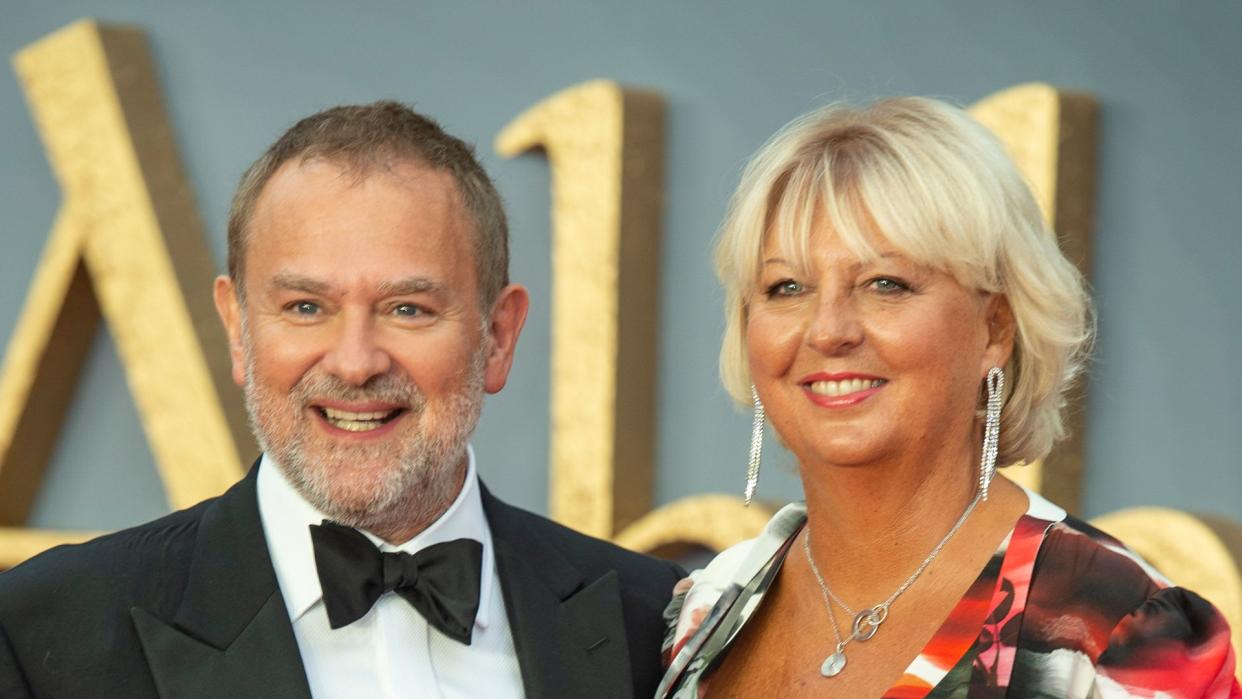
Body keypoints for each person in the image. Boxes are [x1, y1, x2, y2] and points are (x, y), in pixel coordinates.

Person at [0, 101, 682, 699]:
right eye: (305, 306)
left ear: (497, 337)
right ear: (238, 329)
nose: (356, 362)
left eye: (408, 308)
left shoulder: (646, 623)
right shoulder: (45, 632)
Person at [658, 97, 1239, 697]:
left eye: (886, 284)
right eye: (786, 287)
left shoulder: (1116, 628)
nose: (828, 330)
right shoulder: (709, 606)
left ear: (995, 328)